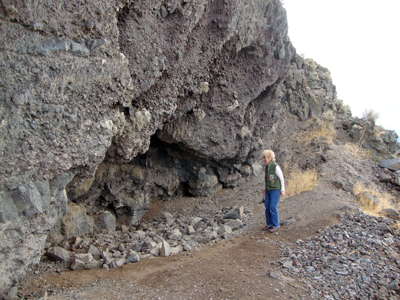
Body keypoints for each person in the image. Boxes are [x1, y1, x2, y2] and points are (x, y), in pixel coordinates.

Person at [261, 149, 285, 233]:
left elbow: (281, 178)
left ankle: (276, 225)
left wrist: (282, 189)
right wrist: (265, 189)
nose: (263, 159)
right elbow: (268, 180)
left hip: (275, 190)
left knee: (273, 207)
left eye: (265, 157)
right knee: (267, 206)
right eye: (263, 158)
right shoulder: (267, 167)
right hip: (268, 190)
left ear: (270, 157)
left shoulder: (275, 166)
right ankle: (269, 224)